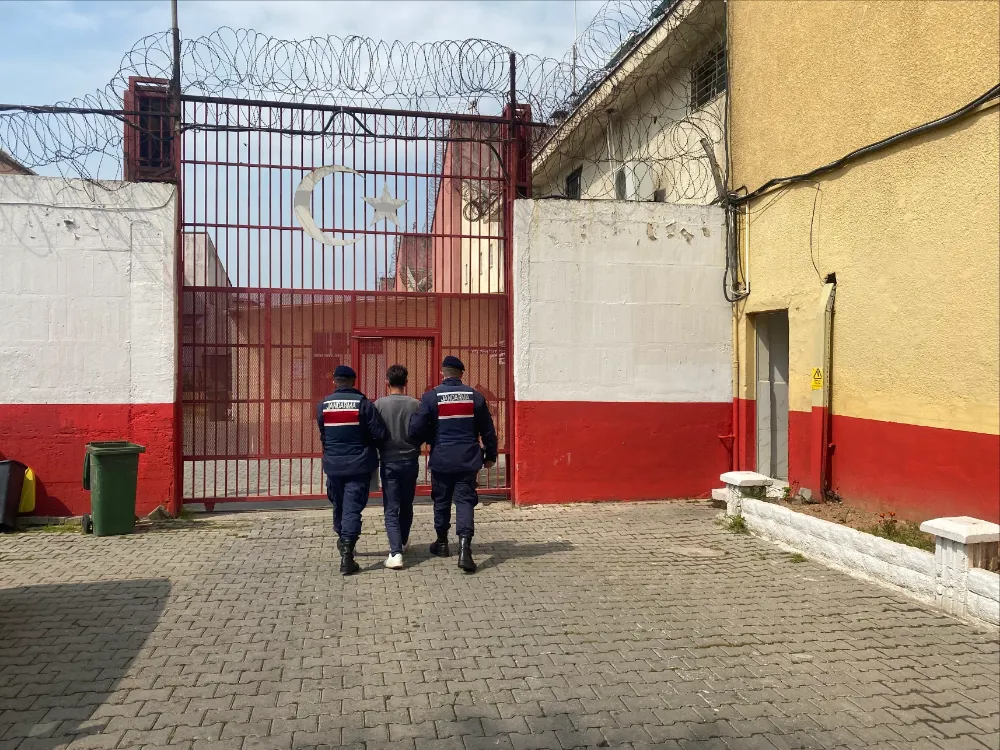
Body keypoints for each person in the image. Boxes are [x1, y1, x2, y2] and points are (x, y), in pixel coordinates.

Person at [408, 355, 498, 573]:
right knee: (465, 501)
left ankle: (441, 543)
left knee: (441, 501)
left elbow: (415, 429)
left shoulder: (432, 397)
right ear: (461, 374)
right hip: (468, 459)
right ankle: (465, 549)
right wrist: (490, 455)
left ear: (443, 373)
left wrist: (425, 439)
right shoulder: (475, 397)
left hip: (442, 458)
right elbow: (488, 430)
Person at [317, 365, 388, 576]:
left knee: (339, 504)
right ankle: (347, 552)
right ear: (353, 381)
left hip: (334, 465)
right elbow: (379, 433)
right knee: (351, 507)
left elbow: (323, 433)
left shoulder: (323, 405)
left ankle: (343, 538)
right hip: (358, 465)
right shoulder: (363, 404)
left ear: (334, 381)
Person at [374, 364, 422, 570]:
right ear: (406, 382)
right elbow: (422, 430)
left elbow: (374, 432)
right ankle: (402, 541)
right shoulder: (415, 404)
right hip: (410, 460)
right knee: (407, 503)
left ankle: (395, 553)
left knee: (391, 506)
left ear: (387, 382)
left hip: (389, 461)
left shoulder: (379, 405)